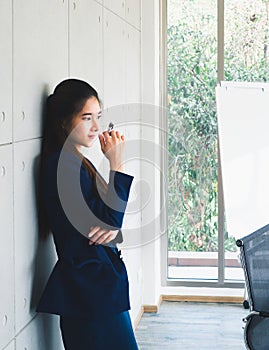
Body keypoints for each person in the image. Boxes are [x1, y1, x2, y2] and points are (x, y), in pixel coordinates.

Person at [36, 79, 139, 349]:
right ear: (63, 121)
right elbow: (106, 222)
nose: (96, 127)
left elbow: (107, 225)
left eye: (98, 117)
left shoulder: (74, 161)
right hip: (89, 293)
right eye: (86, 117)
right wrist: (117, 163)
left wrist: (112, 230)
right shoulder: (63, 165)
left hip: (95, 290)